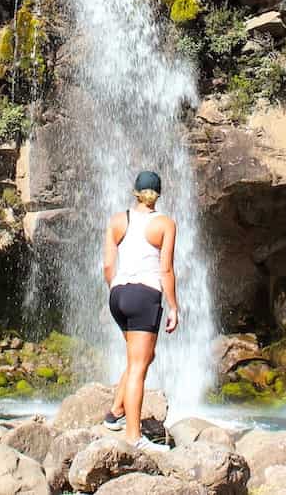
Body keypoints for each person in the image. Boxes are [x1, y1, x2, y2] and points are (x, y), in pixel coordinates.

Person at [102, 170, 179, 451]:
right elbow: (166, 270)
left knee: (143, 357)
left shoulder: (117, 220)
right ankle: (133, 437)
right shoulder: (165, 224)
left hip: (119, 293)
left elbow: (108, 267)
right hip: (144, 293)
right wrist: (173, 306)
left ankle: (115, 412)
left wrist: (115, 291)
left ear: (135, 191)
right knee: (138, 365)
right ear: (158, 194)